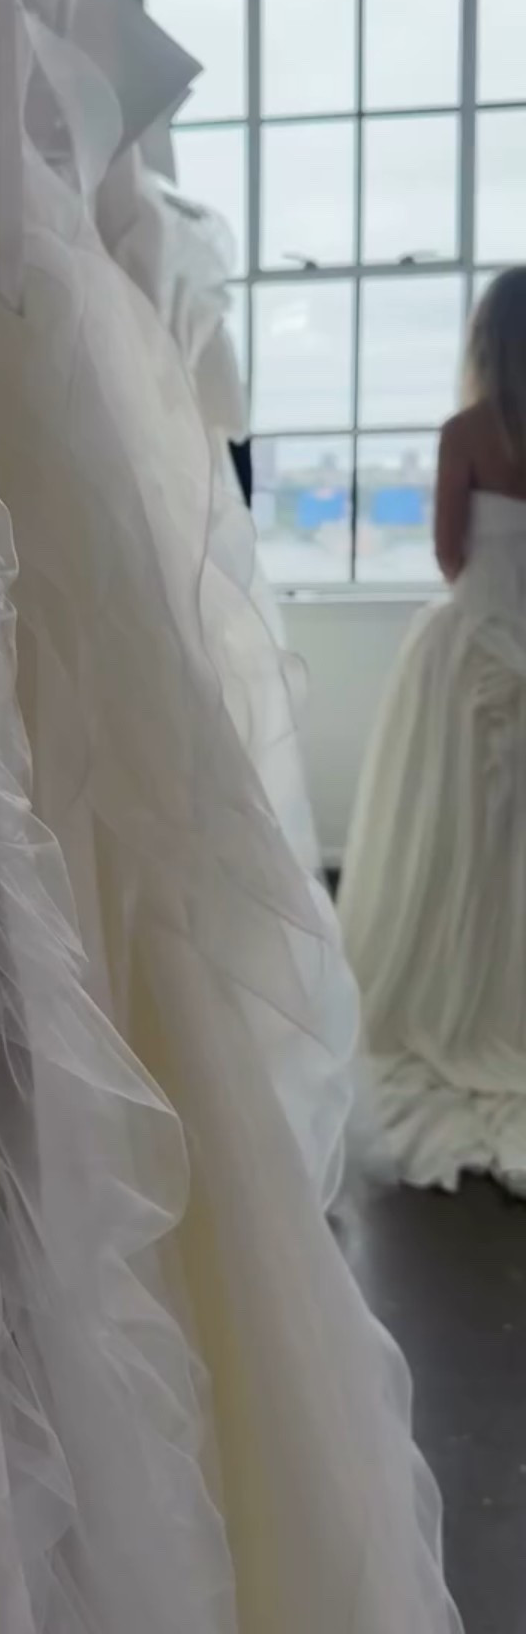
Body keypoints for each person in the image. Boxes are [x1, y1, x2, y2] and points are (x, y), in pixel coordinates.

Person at [340, 266, 526, 1194]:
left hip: (475, 642)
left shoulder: (467, 434)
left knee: (458, 837)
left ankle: (456, 998)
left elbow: (450, 550)